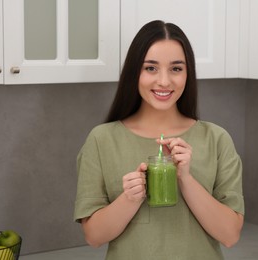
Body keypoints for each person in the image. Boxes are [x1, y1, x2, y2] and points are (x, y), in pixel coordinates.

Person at [74, 20, 244, 259]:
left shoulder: (216, 139)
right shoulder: (102, 140)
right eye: (151, 68)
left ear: (188, 73)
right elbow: (94, 236)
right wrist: (130, 199)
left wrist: (186, 179)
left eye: (176, 68)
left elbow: (230, 235)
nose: (164, 81)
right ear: (135, 72)